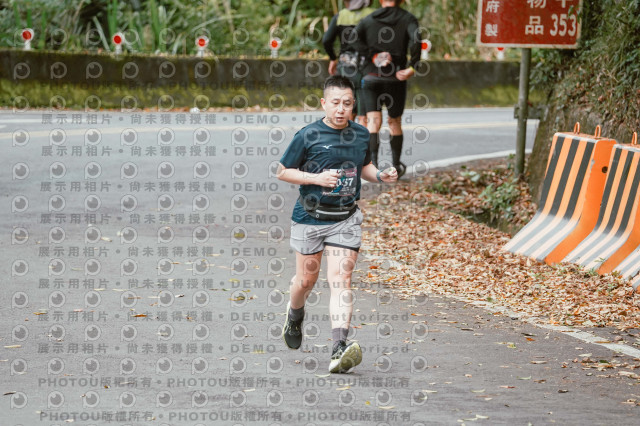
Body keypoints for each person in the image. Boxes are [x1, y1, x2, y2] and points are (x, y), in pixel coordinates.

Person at [276, 75, 398, 373]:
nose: (341, 109)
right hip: (309, 218)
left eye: (347, 103)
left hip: (345, 218)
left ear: (354, 105)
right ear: (324, 103)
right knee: (305, 281)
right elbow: (283, 171)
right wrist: (316, 178)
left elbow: (364, 166)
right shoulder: (308, 135)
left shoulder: (360, 134)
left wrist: (380, 175)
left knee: (341, 279)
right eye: (335, 103)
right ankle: (295, 314)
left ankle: (339, 347)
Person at [355, 0, 421, 176]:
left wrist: (372, 55)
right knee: (394, 121)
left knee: (373, 122)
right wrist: (413, 67)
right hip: (396, 78)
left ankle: (372, 166)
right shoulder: (408, 18)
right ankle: (396, 166)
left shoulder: (368, 19)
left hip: (371, 77)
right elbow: (416, 40)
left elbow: (353, 38)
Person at [322, 0, 375, 124]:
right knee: (364, 113)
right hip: (368, 66)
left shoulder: (340, 16)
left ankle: (348, 135)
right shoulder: (374, 14)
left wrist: (333, 58)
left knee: (347, 107)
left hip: (346, 66)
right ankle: (363, 135)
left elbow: (326, 40)